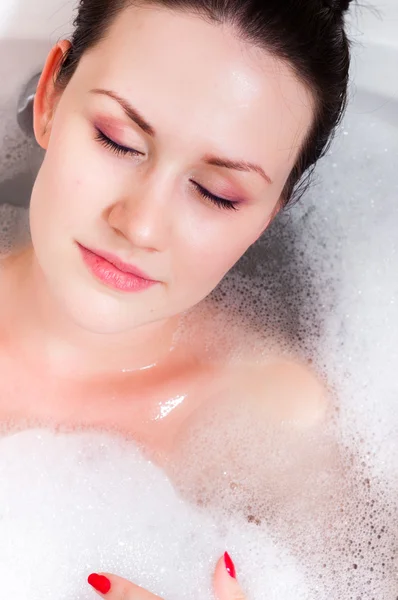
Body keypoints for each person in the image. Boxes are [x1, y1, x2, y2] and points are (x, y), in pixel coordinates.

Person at [0, 0, 353, 597]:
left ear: (270, 213)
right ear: (51, 100)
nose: (140, 225)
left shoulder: (279, 427)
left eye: (217, 193)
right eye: (118, 140)